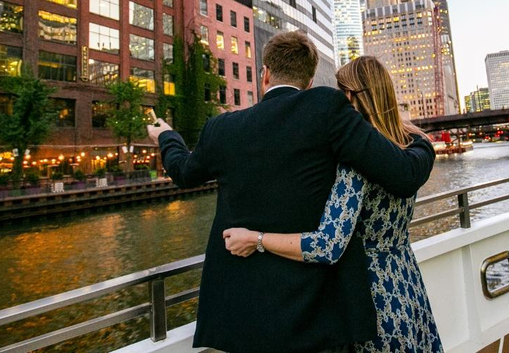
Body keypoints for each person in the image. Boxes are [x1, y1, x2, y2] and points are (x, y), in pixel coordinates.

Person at [147, 32, 435, 353]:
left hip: (245, 319)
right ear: (310, 81)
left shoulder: (221, 128)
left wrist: (167, 137)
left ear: (264, 73)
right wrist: (421, 141)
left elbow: (184, 172)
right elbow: (403, 173)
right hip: (317, 316)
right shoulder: (328, 109)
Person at [222, 56, 443, 352]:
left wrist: (256, 239)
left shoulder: (356, 164)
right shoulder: (407, 146)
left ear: (350, 97)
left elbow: (328, 244)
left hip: (371, 298)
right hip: (407, 282)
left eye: (341, 94)